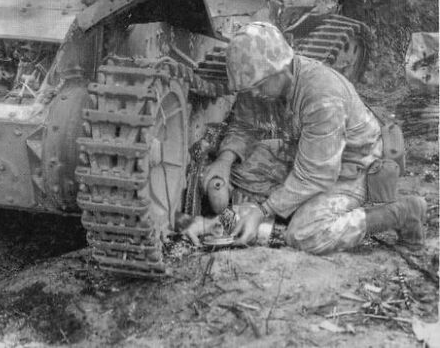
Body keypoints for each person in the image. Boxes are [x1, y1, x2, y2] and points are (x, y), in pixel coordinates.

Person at [183, 22, 427, 254]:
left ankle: (403, 212)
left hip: (352, 164)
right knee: (240, 175)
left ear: (282, 68)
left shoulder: (322, 95)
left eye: (258, 86)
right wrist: (224, 161)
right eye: (249, 89)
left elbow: (316, 174)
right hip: (308, 150)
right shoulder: (264, 82)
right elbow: (245, 126)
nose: (254, 94)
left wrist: (263, 210)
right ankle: (249, 219)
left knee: (305, 233)